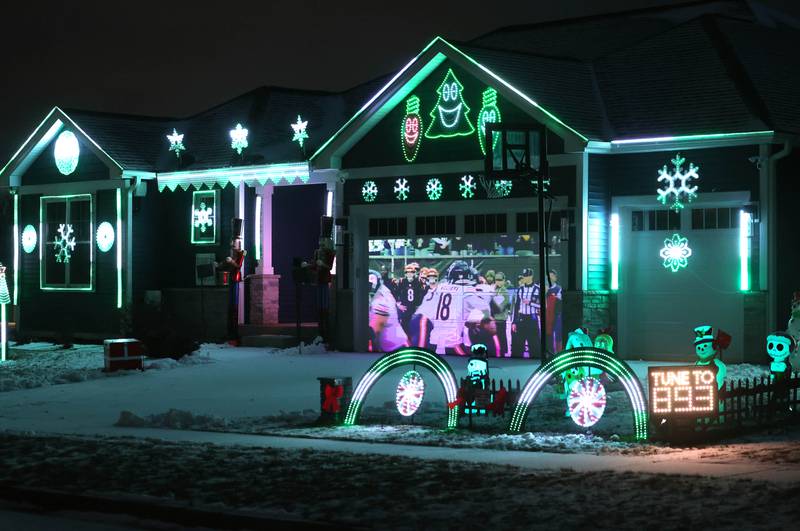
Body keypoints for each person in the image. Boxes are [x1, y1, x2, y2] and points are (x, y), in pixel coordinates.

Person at [215, 219, 246, 345]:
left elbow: (238, 266)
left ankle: (234, 333)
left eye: (235, 241)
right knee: (230, 307)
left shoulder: (241, 253)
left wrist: (230, 262)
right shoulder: (232, 254)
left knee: (234, 307)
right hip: (231, 279)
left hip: (236, 279)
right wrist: (219, 265)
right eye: (232, 241)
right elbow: (227, 264)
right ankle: (229, 332)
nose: (233, 244)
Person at [368, 269, 409, 352]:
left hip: (396, 347)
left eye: (371, 280)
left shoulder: (381, 301)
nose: (369, 282)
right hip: (389, 347)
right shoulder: (382, 292)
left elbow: (373, 331)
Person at [511, 267, 541, 359]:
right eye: (524, 276)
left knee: (534, 343)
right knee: (518, 344)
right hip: (521, 318)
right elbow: (517, 306)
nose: (525, 278)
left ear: (531, 276)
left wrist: (530, 303)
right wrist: (514, 322)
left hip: (532, 318)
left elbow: (541, 305)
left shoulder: (537, 289)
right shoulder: (520, 289)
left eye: (527, 276)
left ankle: (535, 361)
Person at [313, 236, 336, 344]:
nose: (321, 242)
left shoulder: (330, 253)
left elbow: (330, 266)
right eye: (320, 240)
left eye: (323, 241)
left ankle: (326, 334)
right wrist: (309, 265)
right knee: (319, 305)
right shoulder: (317, 252)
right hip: (319, 279)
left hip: (325, 279)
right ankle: (320, 331)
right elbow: (314, 264)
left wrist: (322, 264)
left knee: (324, 305)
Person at [396, 263, 425, 336]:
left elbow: (421, 294)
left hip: (415, 307)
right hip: (405, 307)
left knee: (416, 327)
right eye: (407, 272)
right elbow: (396, 294)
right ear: (405, 273)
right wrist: (398, 304)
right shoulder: (402, 281)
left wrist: (420, 306)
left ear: (414, 273)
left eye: (411, 272)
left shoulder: (418, 281)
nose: (409, 274)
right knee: (405, 326)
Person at [491, 271, 511, 357]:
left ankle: (503, 353)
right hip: (493, 319)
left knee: (502, 337)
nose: (498, 281)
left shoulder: (505, 292)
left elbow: (502, 306)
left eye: (500, 280)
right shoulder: (492, 290)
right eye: (496, 280)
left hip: (501, 319)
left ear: (504, 280)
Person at [544, 269, 564, 355]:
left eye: (552, 276)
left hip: (556, 315)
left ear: (555, 278)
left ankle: (559, 353)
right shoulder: (543, 289)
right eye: (548, 277)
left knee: (558, 335)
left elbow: (560, 302)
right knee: (548, 334)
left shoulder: (559, 289)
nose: (550, 278)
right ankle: (550, 352)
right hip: (546, 316)